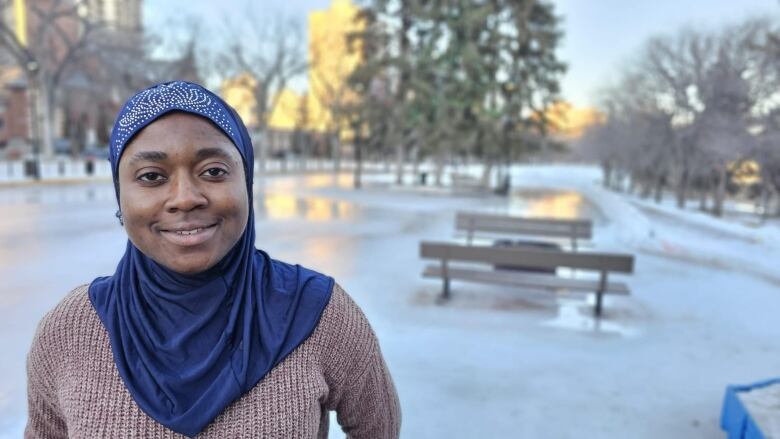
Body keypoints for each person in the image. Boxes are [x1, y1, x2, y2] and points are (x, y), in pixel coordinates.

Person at [25, 81, 401, 438]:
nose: (185, 197)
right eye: (152, 176)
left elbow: (378, 430)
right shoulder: (68, 331)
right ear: (119, 195)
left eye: (213, 171)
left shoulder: (318, 313)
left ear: (246, 182)